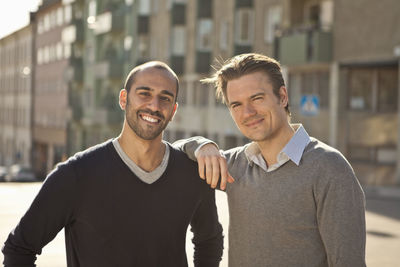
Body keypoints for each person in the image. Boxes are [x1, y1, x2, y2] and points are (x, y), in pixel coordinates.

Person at [2, 61, 223, 267]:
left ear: (173, 110)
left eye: (165, 98)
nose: (154, 105)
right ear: (124, 99)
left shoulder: (192, 174)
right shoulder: (76, 175)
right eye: (144, 93)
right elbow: (19, 248)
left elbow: (209, 241)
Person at [174, 53, 366, 267]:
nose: (248, 112)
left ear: (282, 97)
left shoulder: (329, 167)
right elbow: (173, 153)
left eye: (257, 98)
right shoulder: (235, 165)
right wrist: (202, 145)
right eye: (236, 105)